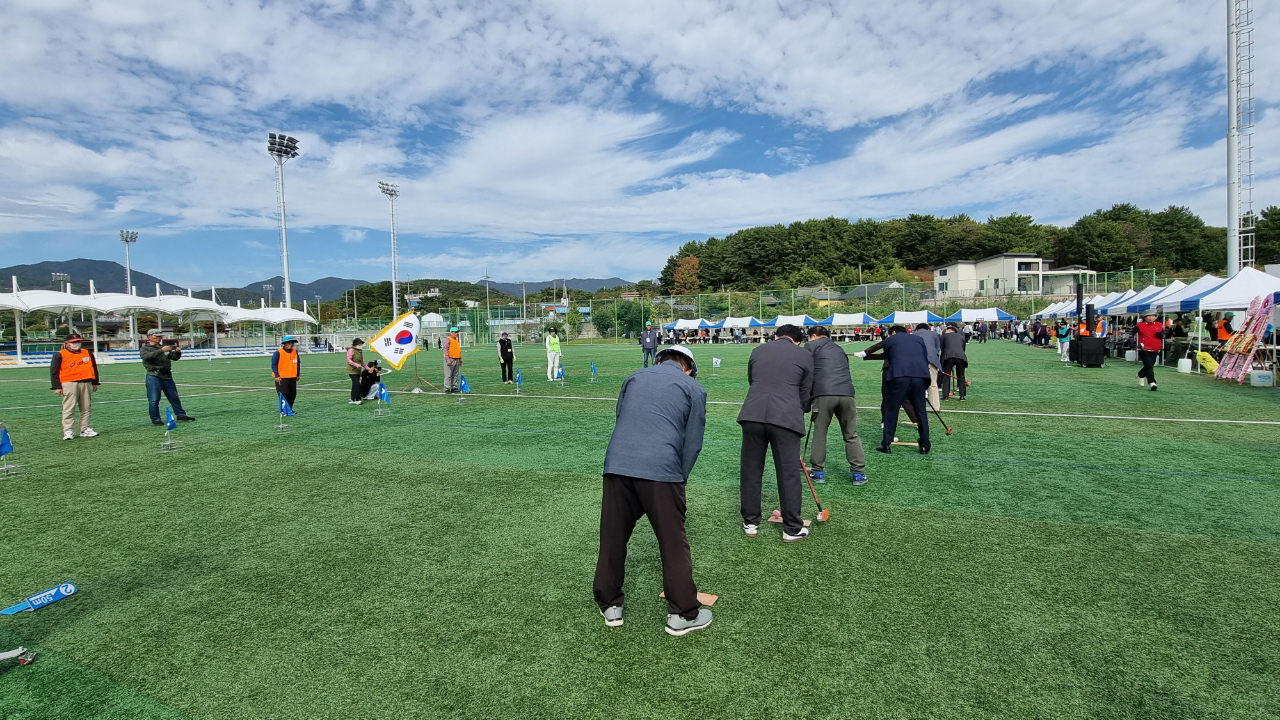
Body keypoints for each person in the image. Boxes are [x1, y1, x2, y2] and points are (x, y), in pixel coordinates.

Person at [593, 344, 711, 636]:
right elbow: (692, 442)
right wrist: (679, 478)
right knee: (673, 543)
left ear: (659, 361)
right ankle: (683, 613)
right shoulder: (694, 388)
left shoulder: (634, 377)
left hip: (617, 465)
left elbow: (621, 417)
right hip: (662, 469)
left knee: (612, 536)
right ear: (689, 369)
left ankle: (610, 604)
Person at [738, 324, 813, 542]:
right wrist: (800, 409)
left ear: (776, 336)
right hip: (786, 418)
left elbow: (753, 380)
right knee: (788, 473)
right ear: (797, 340)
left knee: (751, 470)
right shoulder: (804, 354)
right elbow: (806, 391)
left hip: (753, 414)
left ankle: (750, 522)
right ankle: (792, 528)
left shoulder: (758, 350)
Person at [805, 326, 867, 486]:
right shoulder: (839, 348)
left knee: (820, 433)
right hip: (847, 393)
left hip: (823, 393)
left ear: (813, 336)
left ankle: (818, 471)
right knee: (851, 434)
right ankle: (858, 473)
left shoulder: (811, 346)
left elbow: (805, 371)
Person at [856, 325, 930, 454]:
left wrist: (865, 352)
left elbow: (879, 348)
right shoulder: (918, 340)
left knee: (892, 410)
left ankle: (886, 443)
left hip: (899, 377)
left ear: (893, 332)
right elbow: (923, 357)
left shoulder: (891, 339)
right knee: (921, 411)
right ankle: (925, 444)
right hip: (920, 376)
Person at [140, 328, 195, 425]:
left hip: (167, 375)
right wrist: (161, 350)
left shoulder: (164, 347)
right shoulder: (145, 348)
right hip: (154, 375)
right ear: (149, 337)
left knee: (174, 397)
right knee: (154, 399)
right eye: (156, 336)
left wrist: (177, 352)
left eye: (160, 336)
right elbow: (146, 357)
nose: (158, 338)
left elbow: (174, 358)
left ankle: (181, 415)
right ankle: (156, 419)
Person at [50, 332, 100, 440]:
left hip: (86, 382)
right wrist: (57, 386)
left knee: (86, 407)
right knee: (69, 408)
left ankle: (85, 429)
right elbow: (54, 371)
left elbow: (94, 368)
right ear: (67, 343)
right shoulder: (60, 354)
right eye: (73, 342)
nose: (76, 344)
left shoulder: (87, 353)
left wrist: (95, 382)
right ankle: (68, 430)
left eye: (78, 342)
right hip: (69, 383)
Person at [913, 323, 942, 412]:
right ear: (928, 329)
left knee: (917, 383)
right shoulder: (935, 334)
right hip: (932, 360)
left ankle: (917, 405)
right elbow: (938, 349)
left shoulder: (914, 335)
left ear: (917, 329)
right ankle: (935, 407)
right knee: (933, 384)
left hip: (918, 360)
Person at [1136, 311, 1164, 391]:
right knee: (1148, 365)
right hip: (1144, 348)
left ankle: (1140, 375)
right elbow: (1132, 333)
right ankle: (1152, 382)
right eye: (1149, 316)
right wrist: (1132, 342)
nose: (1151, 317)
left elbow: (1164, 333)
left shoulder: (1159, 324)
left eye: (1153, 316)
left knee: (1150, 365)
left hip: (1155, 347)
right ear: (1144, 318)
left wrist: (1162, 335)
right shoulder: (1140, 325)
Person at [940, 325, 968, 401]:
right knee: (961, 376)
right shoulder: (961, 337)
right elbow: (963, 349)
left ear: (949, 330)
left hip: (948, 357)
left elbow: (942, 349)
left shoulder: (944, 336)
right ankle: (962, 396)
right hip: (961, 357)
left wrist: (941, 361)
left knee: (946, 376)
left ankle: (946, 396)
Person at [271, 335, 301, 409]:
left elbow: (298, 363)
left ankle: (289, 409)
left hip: (292, 377)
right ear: (284, 344)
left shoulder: (295, 352)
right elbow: (274, 364)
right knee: (284, 394)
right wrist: (277, 375)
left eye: (292, 343)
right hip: (282, 377)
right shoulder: (278, 352)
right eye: (288, 343)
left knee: (292, 394)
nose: (291, 344)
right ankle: (284, 411)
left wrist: (297, 374)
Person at [346, 338, 374, 404]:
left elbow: (362, 362)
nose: (361, 345)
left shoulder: (360, 351)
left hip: (358, 371)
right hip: (352, 370)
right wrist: (355, 364)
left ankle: (353, 398)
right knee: (357, 384)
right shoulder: (351, 350)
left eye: (361, 344)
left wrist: (368, 368)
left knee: (355, 385)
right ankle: (357, 399)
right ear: (355, 344)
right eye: (359, 344)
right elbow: (348, 360)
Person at [443, 327, 462, 393]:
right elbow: (446, 350)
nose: (457, 333)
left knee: (455, 374)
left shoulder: (457, 340)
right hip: (450, 359)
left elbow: (458, 350)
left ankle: (454, 387)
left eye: (457, 332)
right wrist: (448, 360)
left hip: (456, 359)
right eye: (455, 332)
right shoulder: (448, 340)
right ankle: (447, 388)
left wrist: (460, 358)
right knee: (448, 374)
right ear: (451, 332)